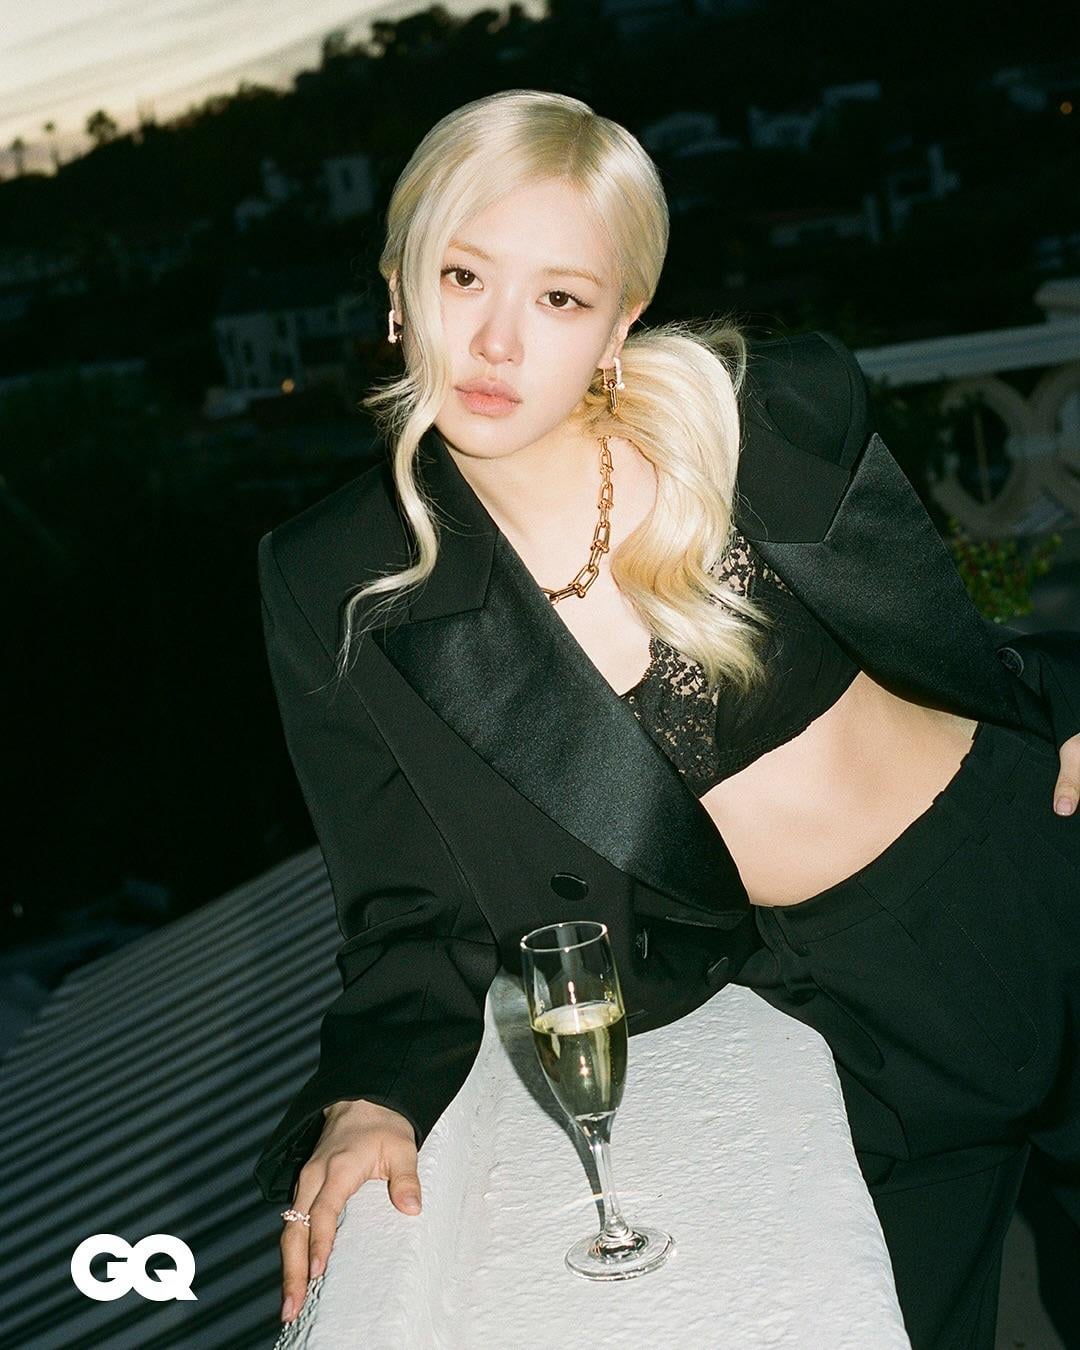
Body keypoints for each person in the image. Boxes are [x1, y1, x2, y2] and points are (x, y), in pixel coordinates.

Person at [255, 89, 1080, 1346]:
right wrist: (371, 1094)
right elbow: (405, 909)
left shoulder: (762, 414)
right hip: (840, 1018)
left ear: (618, 323)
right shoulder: (338, 577)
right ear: (397, 288)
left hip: (1033, 870)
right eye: (464, 275)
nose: (496, 341)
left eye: (560, 297)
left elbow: (952, 639)